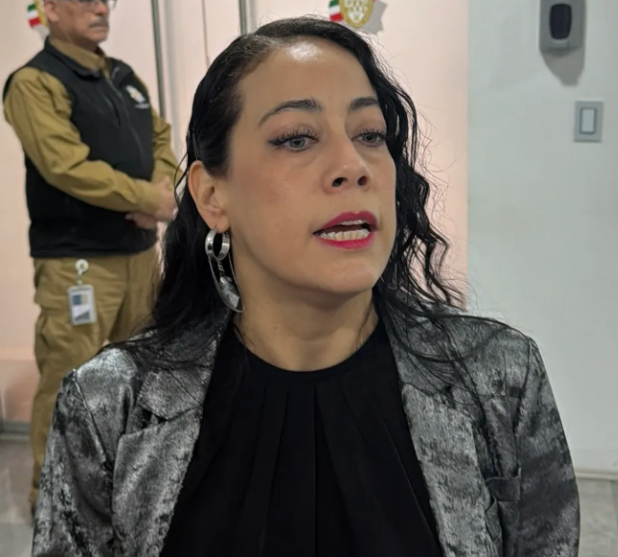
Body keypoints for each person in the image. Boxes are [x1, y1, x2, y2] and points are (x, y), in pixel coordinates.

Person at [32, 16, 580, 557]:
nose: (353, 165)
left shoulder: (499, 378)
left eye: (370, 135)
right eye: (296, 139)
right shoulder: (110, 407)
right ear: (212, 196)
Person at [3, 0, 178, 510]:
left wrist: (160, 191)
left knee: (143, 374)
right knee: (71, 379)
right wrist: (146, 198)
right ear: (50, 9)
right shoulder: (34, 82)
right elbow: (65, 165)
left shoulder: (123, 76)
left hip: (138, 255)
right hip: (77, 263)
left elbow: (160, 138)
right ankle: (56, 502)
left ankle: (131, 490)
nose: (100, 7)